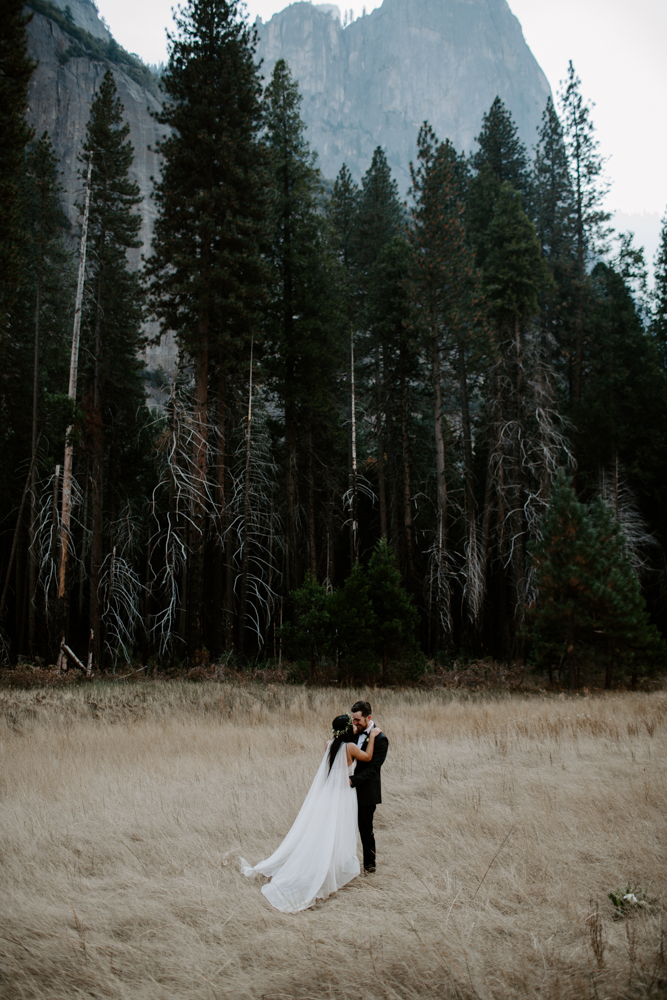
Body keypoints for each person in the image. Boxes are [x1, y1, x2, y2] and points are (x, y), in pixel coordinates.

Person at [240, 713, 381, 913]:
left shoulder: (329, 744)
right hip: (344, 793)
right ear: (349, 729)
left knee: (329, 828)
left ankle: (331, 865)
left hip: (331, 792)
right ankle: (333, 867)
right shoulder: (350, 747)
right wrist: (373, 736)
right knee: (341, 829)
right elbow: (367, 757)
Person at [350, 700, 389, 873]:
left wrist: (353, 780)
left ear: (369, 718)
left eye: (358, 720)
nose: (355, 723)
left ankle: (370, 867)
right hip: (348, 790)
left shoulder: (380, 739)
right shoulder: (353, 732)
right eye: (353, 719)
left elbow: (373, 769)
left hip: (366, 791)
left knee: (366, 831)